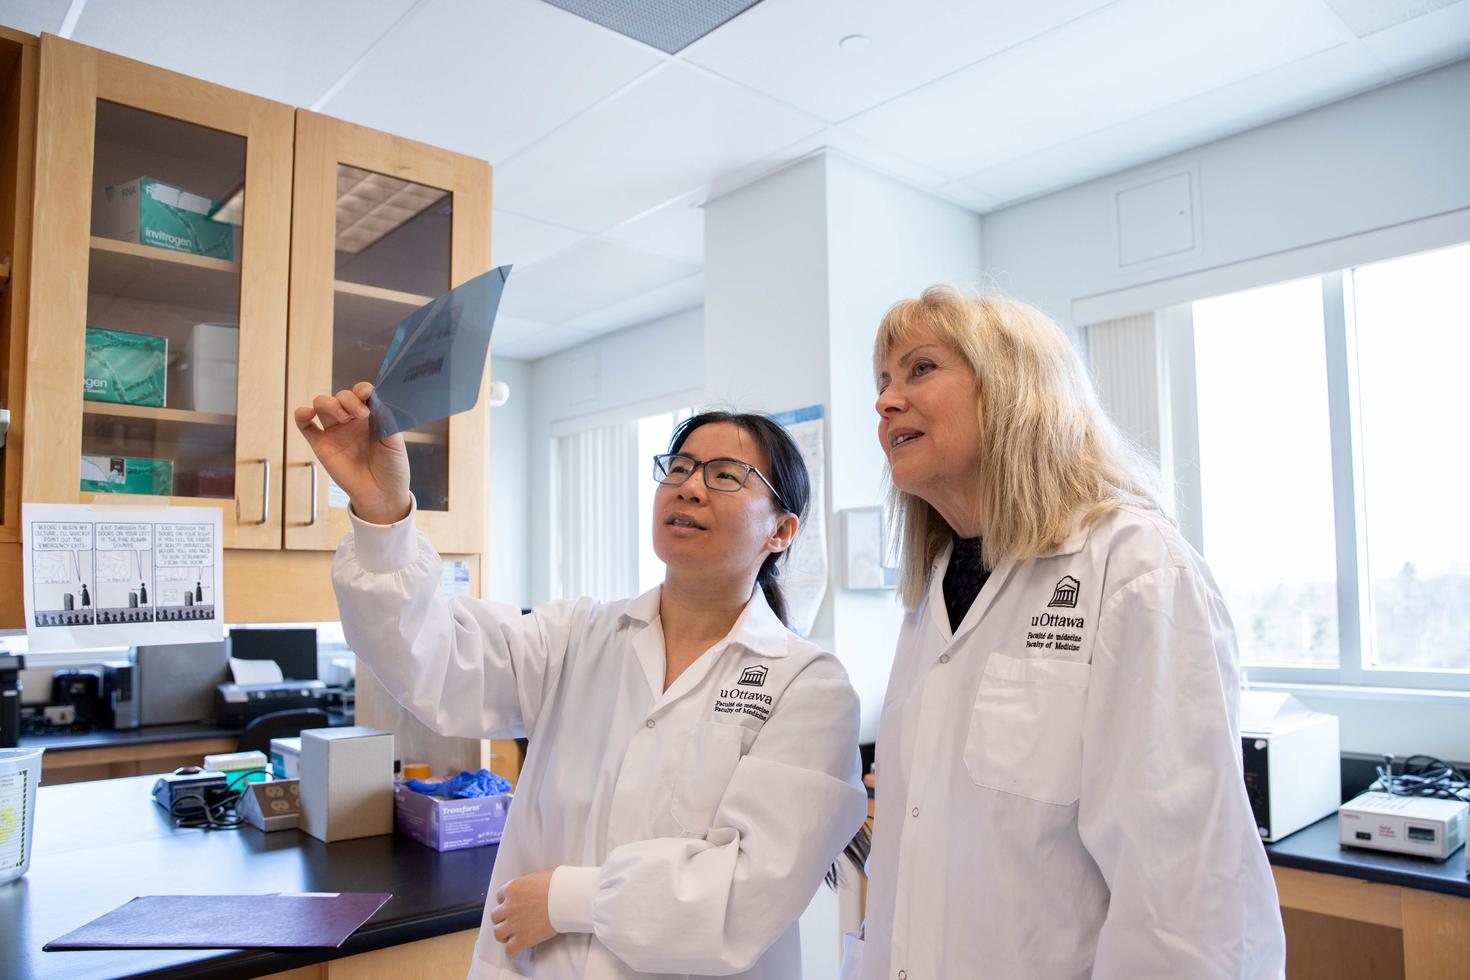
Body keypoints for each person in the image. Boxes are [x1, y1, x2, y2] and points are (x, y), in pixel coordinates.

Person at [296, 383, 869, 980]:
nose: (689, 486)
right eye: (679, 467)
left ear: (781, 532)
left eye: (726, 475)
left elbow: (746, 895)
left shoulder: (807, 686)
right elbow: (431, 660)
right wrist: (383, 512)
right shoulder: (576, 636)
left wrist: (568, 901)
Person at [845, 288, 1286, 979]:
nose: (886, 401)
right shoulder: (935, 589)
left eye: (920, 369)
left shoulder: (1133, 565)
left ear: (1014, 386)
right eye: (883, 381)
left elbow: (1184, 899)